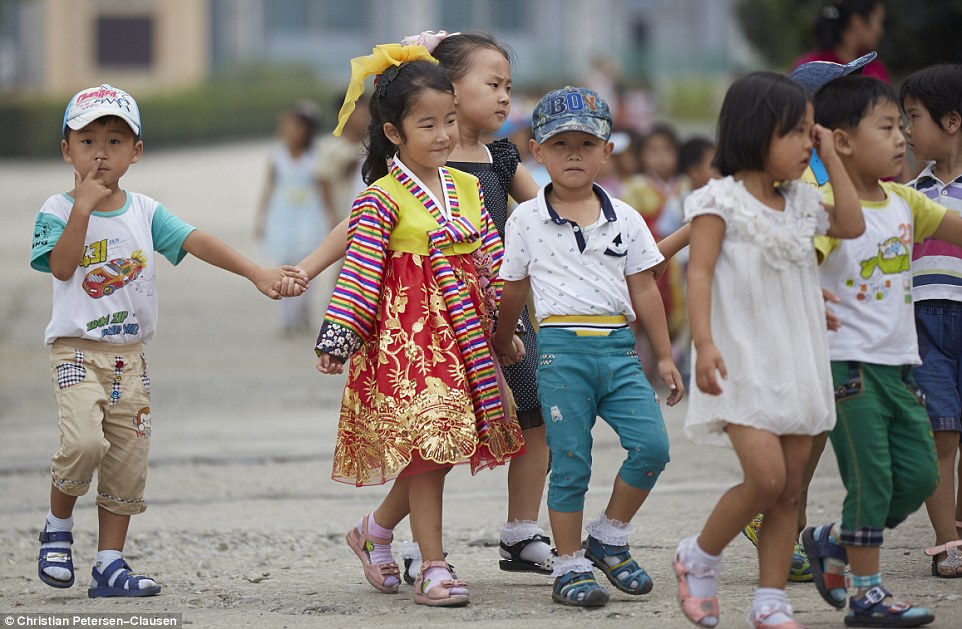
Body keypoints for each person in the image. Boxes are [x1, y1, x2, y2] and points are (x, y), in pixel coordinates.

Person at [279, 31, 554, 580]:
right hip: (411, 339)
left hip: (472, 333)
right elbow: (359, 265)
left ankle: (383, 533)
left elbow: (490, 256)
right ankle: (429, 559)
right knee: (433, 438)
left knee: (465, 436)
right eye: (429, 124)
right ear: (396, 130)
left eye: (446, 122)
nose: (444, 133)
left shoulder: (475, 179)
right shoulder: (386, 193)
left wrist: (505, 319)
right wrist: (336, 332)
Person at [30, 84, 305, 597]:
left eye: (115, 141)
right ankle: (57, 526)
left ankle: (110, 563)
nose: (100, 153)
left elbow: (196, 240)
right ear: (66, 149)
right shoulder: (55, 209)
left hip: (130, 359)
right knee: (83, 443)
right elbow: (65, 267)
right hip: (76, 354)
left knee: (127, 461)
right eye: (87, 140)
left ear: (135, 153)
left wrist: (255, 273)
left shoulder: (144, 211)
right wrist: (81, 210)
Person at [674, 71, 863, 629]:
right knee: (766, 479)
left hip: (799, 357)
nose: (811, 142)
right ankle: (700, 554)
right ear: (758, 132)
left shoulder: (805, 200)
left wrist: (834, 156)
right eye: (799, 132)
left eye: (813, 133)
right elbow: (700, 276)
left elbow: (850, 223)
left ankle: (771, 600)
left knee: (789, 494)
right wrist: (703, 345)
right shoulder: (718, 201)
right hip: (742, 359)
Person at [492, 86, 685, 608]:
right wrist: (503, 339)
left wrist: (664, 355)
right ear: (538, 152)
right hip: (560, 352)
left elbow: (644, 285)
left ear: (608, 151)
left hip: (621, 351)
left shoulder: (625, 216)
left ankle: (610, 535)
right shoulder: (525, 219)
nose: (573, 154)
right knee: (571, 461)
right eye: (560, 145)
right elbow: (514, 287)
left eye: (586, 143)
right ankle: (571, 562)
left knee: (653, 446)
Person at [800, 75, 962, 627]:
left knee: (918, 476)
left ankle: (832, 539)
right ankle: (866, 595)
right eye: (888, 127)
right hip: (847, 367)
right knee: (870, 481)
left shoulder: (905, 201)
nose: (902, 139)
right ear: (840, 141)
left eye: (903, 126)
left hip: (900, 369)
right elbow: (796, 263)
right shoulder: (823, 207)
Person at [739, 52, 880, 586]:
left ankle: (782, 522)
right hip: (806, 319)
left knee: (814, 428)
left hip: (845, 320)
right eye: (853, 92)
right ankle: (773, 519)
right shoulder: (806, 169)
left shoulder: (842, 160)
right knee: (808, 429)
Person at [900, 64, 962, 578]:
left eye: (914, 118)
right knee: (940, 433)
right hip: (923, 323)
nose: (905, 130)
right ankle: (947, 543)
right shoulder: (908, 193)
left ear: (952, 121)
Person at [253, 101, 335, 334]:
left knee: (306, 264)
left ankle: (303, 309)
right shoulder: (277, 156)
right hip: (283, 215)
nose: (288, 131)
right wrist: (262, 219)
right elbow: (268, 189)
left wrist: (332, 218)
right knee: (284, 265)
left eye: (293, 126)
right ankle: (288, 317)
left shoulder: (317, 156)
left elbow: (325, 188)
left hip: (309, 215)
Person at [793, 1, 889, 83]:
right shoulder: (811, 69)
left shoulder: (875, 68)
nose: (881, 32)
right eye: (879, 22)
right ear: (857, 23)